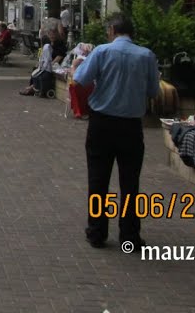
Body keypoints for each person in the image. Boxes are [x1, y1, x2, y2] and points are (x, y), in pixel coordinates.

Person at [72, 14, 160, 249]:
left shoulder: (101, 52)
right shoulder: (146, 55)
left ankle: (97, 231)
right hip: (131, 126)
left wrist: (77, 65)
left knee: (98, 178)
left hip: (102, 123)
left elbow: (80, 80)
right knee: (130, 181)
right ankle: (130, 234)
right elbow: (153, 90)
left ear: (112, 30)